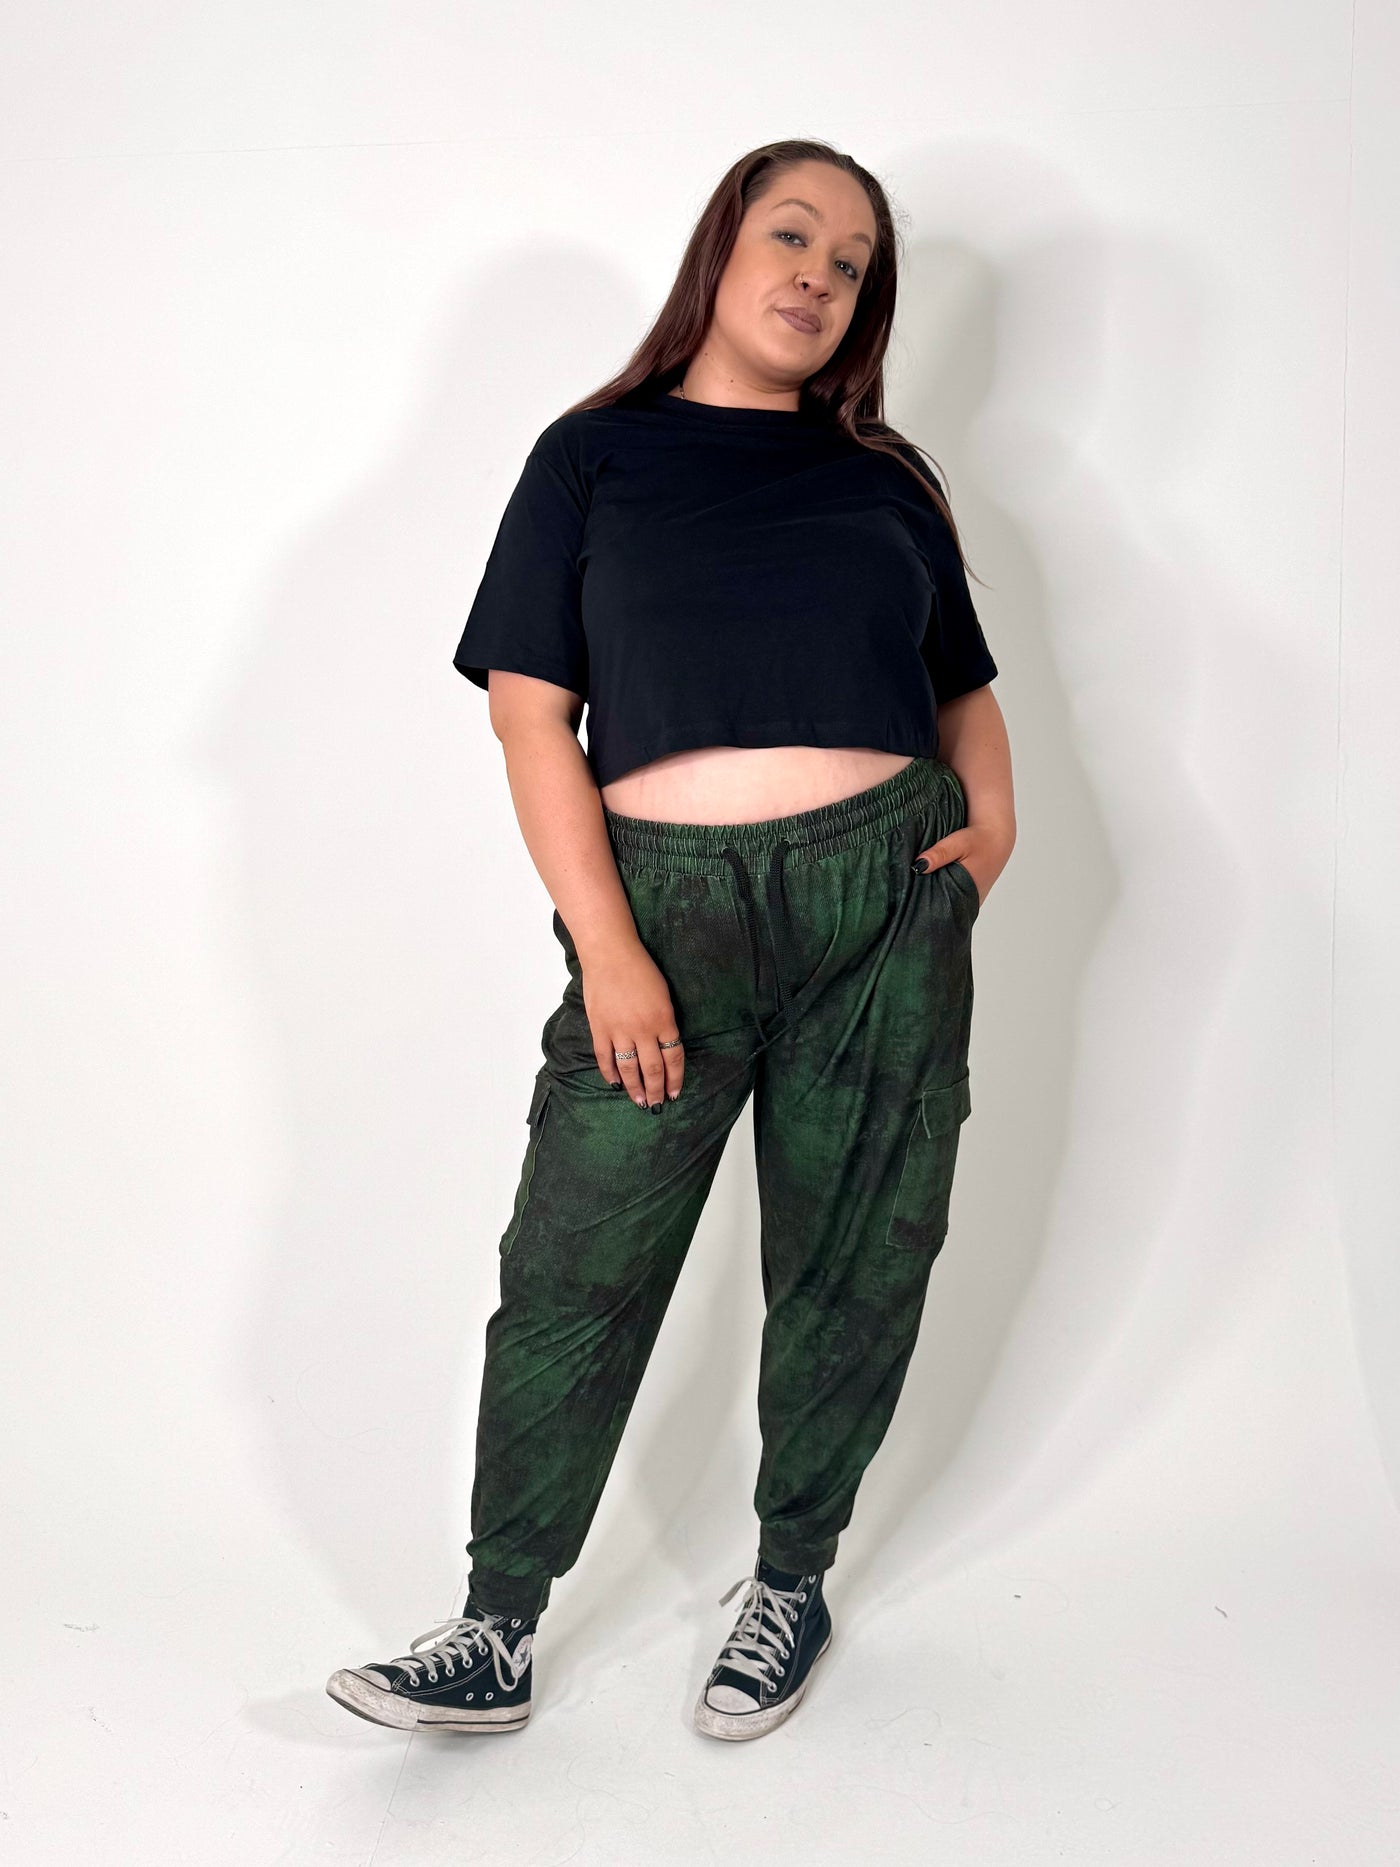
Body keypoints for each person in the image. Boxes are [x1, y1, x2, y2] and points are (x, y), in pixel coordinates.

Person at [327, 136, 1016, 1744]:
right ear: (722, 249)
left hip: (881, 911)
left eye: (851, 264)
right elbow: (530, 717)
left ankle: (791, 1579)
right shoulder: (593, 456)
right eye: (793, 236)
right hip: (661, 918)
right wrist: (613, 949)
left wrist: (989, 835)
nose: (818, 276)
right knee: (574, 1269)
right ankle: (497, 1625)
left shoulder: (887, 480)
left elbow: (965, 687)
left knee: (858, 1262)